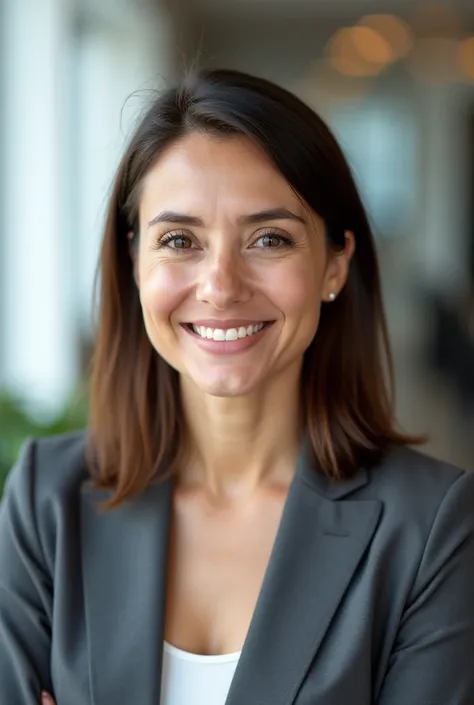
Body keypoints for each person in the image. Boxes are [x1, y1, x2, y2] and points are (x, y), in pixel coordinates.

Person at [1, 69, 474, 705]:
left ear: (335, 263)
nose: (221, 286)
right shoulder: (45, 499)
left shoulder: (433, 526)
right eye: (179, 241)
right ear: (134, 260)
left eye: (270, 238)